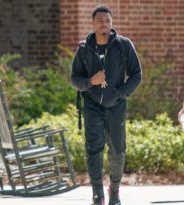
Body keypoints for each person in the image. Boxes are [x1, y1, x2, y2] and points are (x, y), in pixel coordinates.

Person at [71, 5, 142, 205]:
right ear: (93, 23)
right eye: (100, 21)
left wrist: (120, 93)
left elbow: (137, 75)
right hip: (93, 104)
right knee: (93, 149)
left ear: (111, 23)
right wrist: (89, 82)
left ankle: (114, 191)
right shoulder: (84, 48)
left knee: (118, 150)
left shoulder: (123, 45)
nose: (104, 24)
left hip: (116, 105)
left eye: (108, 21)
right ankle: (97, 194)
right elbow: (74, 77)